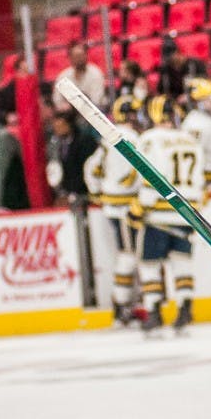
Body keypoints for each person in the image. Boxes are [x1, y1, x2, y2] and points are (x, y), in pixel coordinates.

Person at [134, 95, 204, 334]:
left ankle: (153, 311)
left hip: (159, 212)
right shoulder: (190, 139)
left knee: (150, 264)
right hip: (186, 211)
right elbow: (200, 180)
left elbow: (148, 174)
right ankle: (185, 306)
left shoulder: (149, 139)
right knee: (181, 261)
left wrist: (141, 206)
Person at [84, 95, 144, 326]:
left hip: (113, 207)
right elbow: (139, 174)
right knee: (128, 255)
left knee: (127, 254)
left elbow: (92, 168)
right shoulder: (135, 138)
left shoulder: (108, 137)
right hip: (127, 207)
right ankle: (121, 305)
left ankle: (123, 305)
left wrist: (98, 192)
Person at [52, 42, 107, 111]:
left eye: (81, 56)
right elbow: (57, 100)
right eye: (76, 57)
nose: (79, 59)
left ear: (86, 56)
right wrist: (64, 106)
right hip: (70, 113)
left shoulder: (96, 73)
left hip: (95, 112)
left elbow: (96, 100)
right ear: (70, 58)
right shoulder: (63, 76)